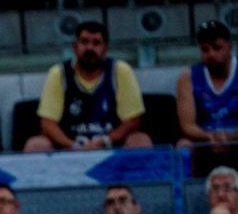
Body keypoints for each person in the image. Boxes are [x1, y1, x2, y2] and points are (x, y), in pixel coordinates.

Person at [25, 21, 152, 153]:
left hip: (112, 147)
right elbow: (47, 124)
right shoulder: (59, 73)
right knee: (36, 144)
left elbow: (133, 121)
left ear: (105, 48)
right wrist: (73, 146)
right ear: (75, 47)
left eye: (96, 43)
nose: (90, 48)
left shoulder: (120, 70)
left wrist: (105, 141)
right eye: (84, 42)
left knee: (141, 140)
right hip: (69, 148)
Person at [175, 19, 238, 176]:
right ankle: (183, 192)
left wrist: (230, 138)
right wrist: (210, 137)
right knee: (183, 146)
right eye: (205, 49)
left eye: (217, 48)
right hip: (204, 139)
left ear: (229, 47)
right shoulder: (187, 77)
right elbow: (187, 125)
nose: (211, 54)